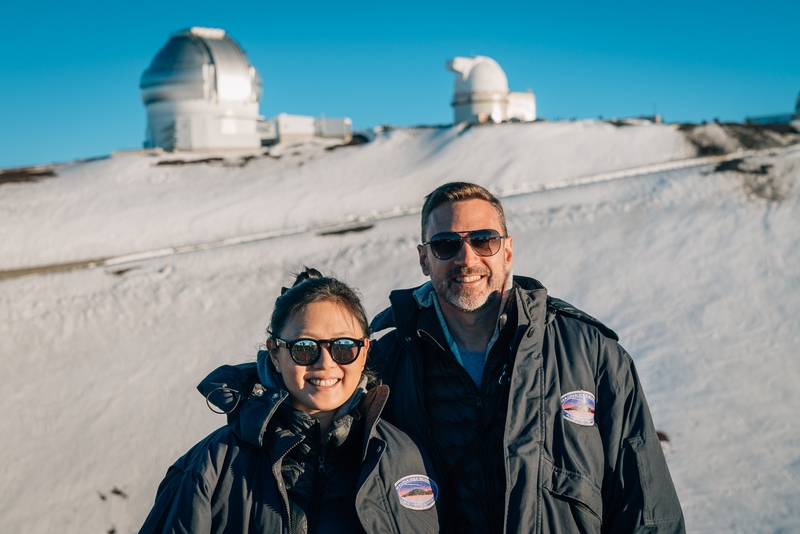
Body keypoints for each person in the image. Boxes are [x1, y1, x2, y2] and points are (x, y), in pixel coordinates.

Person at [370, 182, 685, 533]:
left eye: (484, 240)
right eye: (446, 244)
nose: (467, 257)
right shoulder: (386, 361)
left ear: (507, 252)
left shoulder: (589, 353)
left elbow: (646, 508)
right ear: (424, 259)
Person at [139, 269, 445, 533]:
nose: (325, 363)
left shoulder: (402, 458)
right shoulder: (212, 467)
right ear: (275, 353)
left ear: (364, 350)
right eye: (304, 347)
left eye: (343, 346)